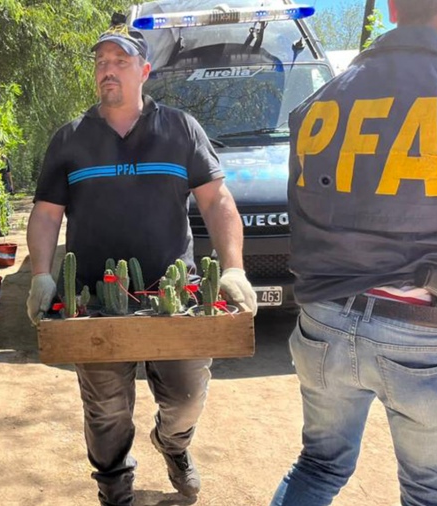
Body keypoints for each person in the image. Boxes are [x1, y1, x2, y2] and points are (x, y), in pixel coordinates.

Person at [25, 13, 257, 506]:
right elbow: (46, 215)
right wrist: (42, 276)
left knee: (187, 397)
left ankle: (173, 444)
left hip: (179, 299)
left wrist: (233, 267)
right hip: (94, 301)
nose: (108, 69)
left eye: (119, 61)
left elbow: (217, 201)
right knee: (106, 410)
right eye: (101, 62)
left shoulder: (180, 128)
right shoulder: (69, 138)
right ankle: (114, 487)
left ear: (143, 71)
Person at [270, 1, 437, 505]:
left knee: (317, 468)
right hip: (424, 333)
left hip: (323, 320)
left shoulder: (321, 100)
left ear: (393, 7)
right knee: (431, 493)